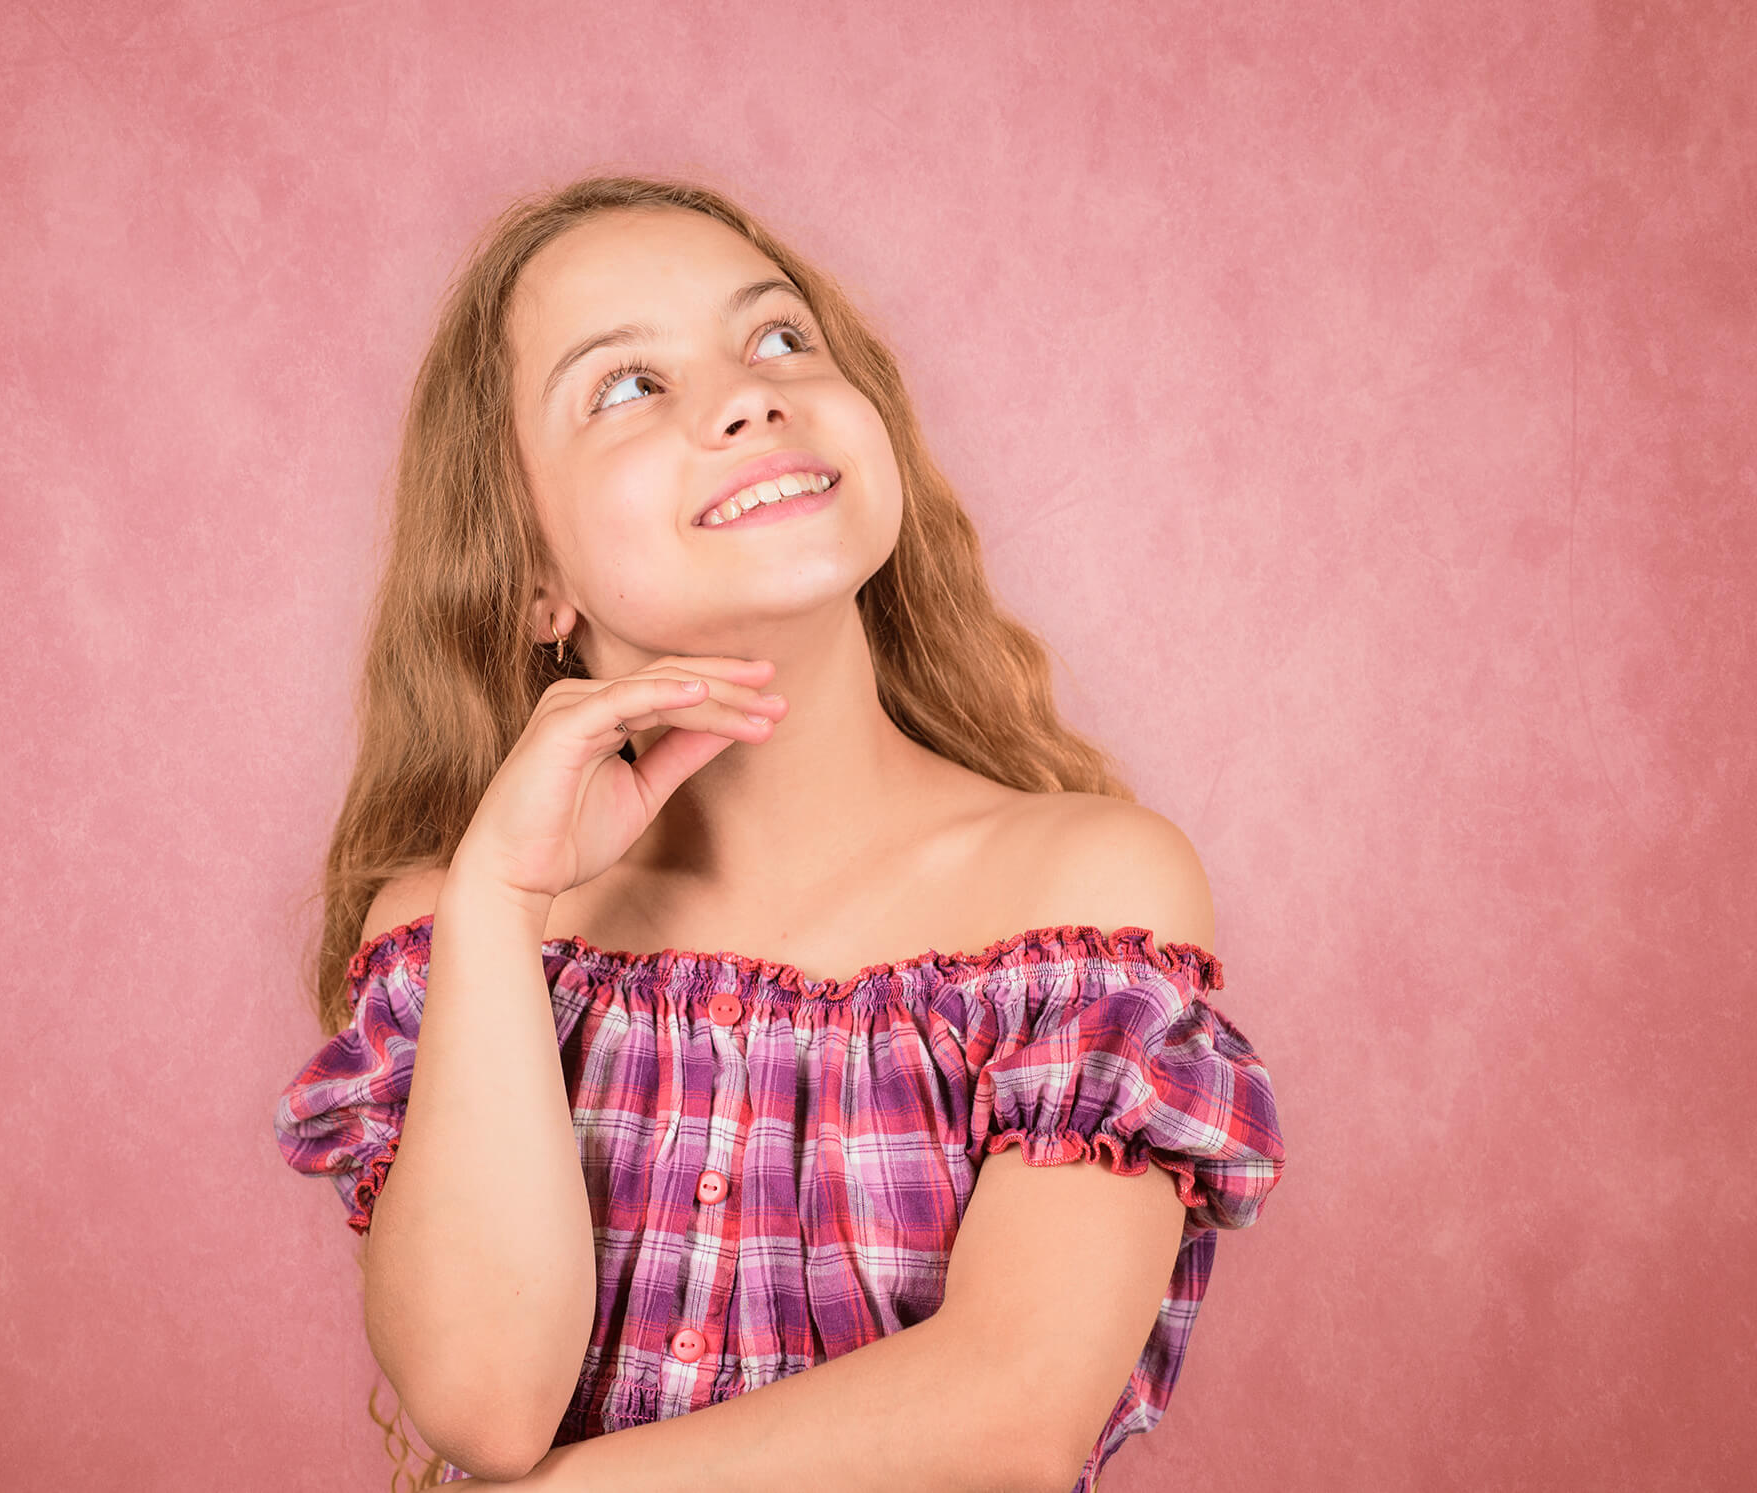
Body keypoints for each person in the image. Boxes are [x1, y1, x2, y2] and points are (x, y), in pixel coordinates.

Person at [274, 173, 1286, 1491]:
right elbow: (484, 1401)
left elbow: (1011, 1408)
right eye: (628, 387)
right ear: (533, 579)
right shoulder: (454, 931)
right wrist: (494, 894)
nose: (749, 394)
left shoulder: (1085, 890)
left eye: (778, 338)